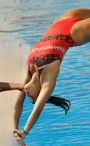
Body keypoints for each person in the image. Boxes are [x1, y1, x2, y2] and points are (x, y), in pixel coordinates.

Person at [13, 8, 90, 146]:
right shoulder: (48, 79)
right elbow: (37, 110)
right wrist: (24, 132)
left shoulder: (29, 70)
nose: (30, 97)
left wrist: (15, 127)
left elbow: (18, 104)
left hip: (62, 21)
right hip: (74, 33)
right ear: (41, 90)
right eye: (34, 98)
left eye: (30, 99)